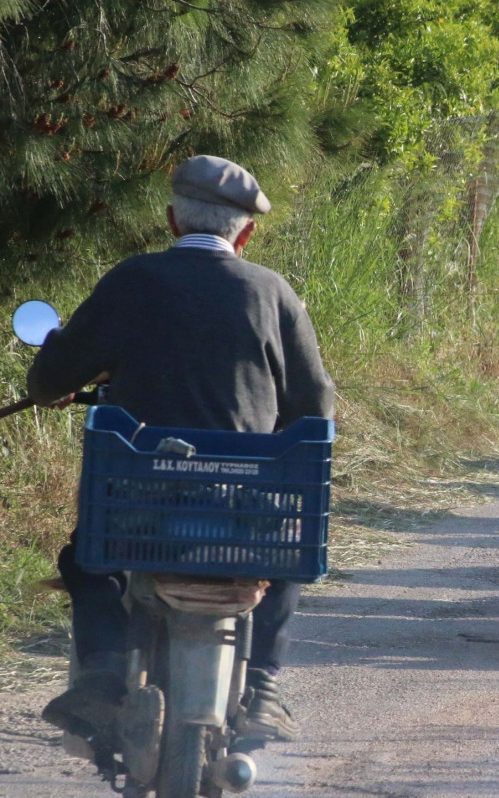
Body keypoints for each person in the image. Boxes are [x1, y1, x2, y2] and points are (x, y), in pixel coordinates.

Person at [29, 154, 335, 746]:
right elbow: (314, 407)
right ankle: (265, 685)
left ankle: (101, 674)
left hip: (140, 508)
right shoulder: (273, 293)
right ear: (245, 233)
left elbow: (48, 382)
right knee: (286, 553)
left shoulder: (133, 280)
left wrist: (61, 369)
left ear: (172, 220)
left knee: (87, 560)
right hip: (239, 512)